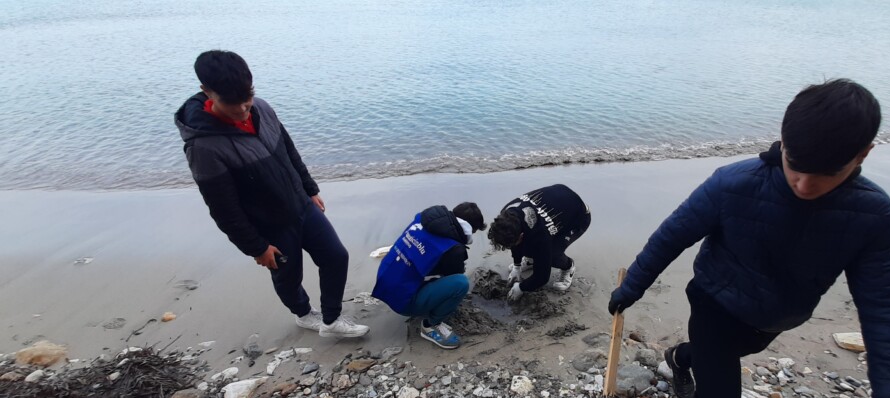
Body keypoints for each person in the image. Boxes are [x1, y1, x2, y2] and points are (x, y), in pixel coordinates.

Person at [608, 79, 890, 398]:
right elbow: (673, 235)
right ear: (783, 143)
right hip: (714, 302)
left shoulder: (871, 216)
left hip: (774, 319)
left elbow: (885, 307)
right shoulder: (733, 183)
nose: (804, 185)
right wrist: (632, 285)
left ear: (862, 155)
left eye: (824, 175)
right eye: (794, 167)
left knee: (724, 353)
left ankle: (679, 357)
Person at [174, 50, 368, 338]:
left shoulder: (262, 109)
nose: (243, 108)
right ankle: (303, 314)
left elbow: (288, 150)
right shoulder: (204, 147)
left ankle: (331, 320)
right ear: (207, 92)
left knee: (336, 256)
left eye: (247, 96)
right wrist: (256, 247)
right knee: (289, 276)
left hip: (301, 204)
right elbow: (223, 209)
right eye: (232, 102)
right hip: (270, 226)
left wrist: (310, 189)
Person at [372, 203, 486, 349]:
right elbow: (454, 276)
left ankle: (423, 301)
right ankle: (431, 326)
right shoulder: (454, 249)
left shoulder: (422, 220)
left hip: (385, 282)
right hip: (403, 302)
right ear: (471, 229)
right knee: (460, 284)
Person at [487, 184, 591, 302]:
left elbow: (542, 277)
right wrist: (517, 266)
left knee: (551, 254)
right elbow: (512, 239)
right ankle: (531, 261)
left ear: (521, 234)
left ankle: (568, 267)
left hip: (577, 218)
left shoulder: (539, 234)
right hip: (560, 199)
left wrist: (521, 288)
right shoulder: (505, 216)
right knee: (528, 246)